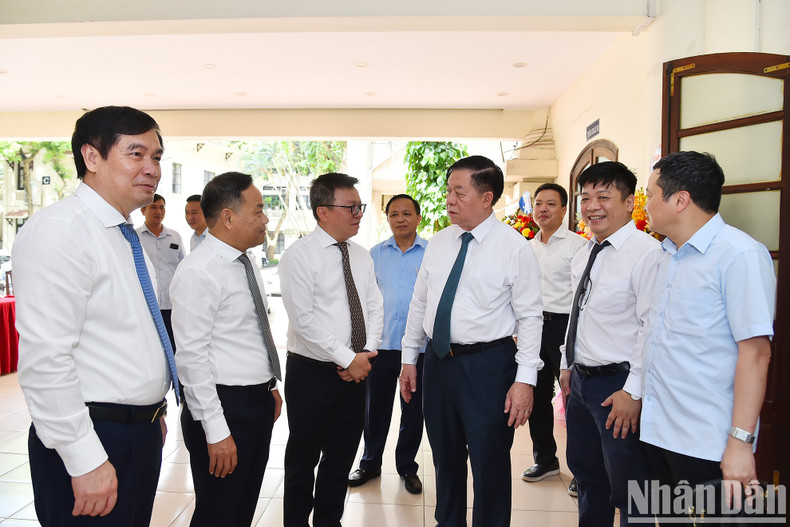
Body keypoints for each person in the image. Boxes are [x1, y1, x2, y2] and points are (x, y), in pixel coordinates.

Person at [13, 106, 177, 526]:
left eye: (156, 157)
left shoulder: (125, 235)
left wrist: (149, 414)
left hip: (134, 431)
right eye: (136, 154)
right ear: (91, 158)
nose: (152, 169)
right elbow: (46, 359)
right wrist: (84, 458)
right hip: (92, 436)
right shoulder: (63, 229)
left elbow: (128, 334)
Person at [400, 155, 543, 527]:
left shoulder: (514, 247)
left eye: (459, 192)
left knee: (489, 461)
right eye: (449, 190)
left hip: (488, 365)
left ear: (486, 197)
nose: (449, 199)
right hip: (439, 362)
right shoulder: (440, 242)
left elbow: (530, 317)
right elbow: (421, 301)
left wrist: (525, 380)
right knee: (445, 458)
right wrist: (409, 359)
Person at [640, 151, 775, 520]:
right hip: (658, 431)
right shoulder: (664, 256)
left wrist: (740, 443)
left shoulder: (740, 255)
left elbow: (756, 354)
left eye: (650, 194)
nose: (645, 203)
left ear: (680, 199)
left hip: (707, 442)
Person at [171, 172, 283, 527]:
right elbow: (191, 359)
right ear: (229, 217)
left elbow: (246, 335)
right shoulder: (199, 272)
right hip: (222, 409)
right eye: (259, 210)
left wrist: (268, 387)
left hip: (255, 403)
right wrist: (216, 431)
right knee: (218, 513)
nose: (265, 219)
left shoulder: (245, 261)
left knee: (242, 507)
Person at [558, 161, 660, 526]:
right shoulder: (586, 251)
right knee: (587, 476)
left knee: (631, 487)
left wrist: (633, 393)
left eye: (603, 196)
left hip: (619, 386)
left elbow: (652, 328)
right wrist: (566, 365)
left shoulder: (647, 254)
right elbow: (577, 314)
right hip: (582, 384)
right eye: (585, 198)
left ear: (629, 202)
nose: (591, 206)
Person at [280, 173, 383, 527]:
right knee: (302, 458)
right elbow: (304, 320)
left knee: (341, 456)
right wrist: (347, 358)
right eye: (351, 207)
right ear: (323, 212)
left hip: (357, 371)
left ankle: (329, 521)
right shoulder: (299, 256)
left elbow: (374, 306)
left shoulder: (362, 255)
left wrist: (365, 355)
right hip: (312, 373)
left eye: (360, 207)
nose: (358, 213)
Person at [348, 193, 427, 495]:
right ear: (388, 219)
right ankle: (370, 463)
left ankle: (407, 467)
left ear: (418, 217)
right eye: (394, 214)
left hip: (417, 349)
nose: (401, 219)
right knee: (375, 409)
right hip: (380, 347)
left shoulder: (430, 253)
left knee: (413, 411)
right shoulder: (374, 254)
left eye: (407, 213)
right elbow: (362, 300)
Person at [520, 183, 587, 495]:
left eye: (550, 204)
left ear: (564, 210)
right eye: (538, 204)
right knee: (535, 397)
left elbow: (581, 298)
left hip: (565, 326)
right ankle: (545, 459)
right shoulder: (527, 248)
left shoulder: (577, 247)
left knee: (573, 400)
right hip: (534, 327)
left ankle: (583, 471)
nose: (543, 209)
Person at [138, 193, 185, 351]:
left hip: (172, 305)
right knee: (151, 348)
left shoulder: (175, 237)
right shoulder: (135, 238)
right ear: (143, 210)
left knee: (174, 347)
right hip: (146, 305)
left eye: (162, 207)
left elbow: (182, 269)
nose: (159, 211)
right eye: (153, 207)